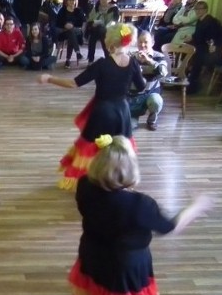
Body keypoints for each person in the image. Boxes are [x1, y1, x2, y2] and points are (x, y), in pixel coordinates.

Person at [69, 134, 212, 295]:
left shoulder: (85, 186)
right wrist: (196, 207)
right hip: (125, 269)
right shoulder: (139, 205)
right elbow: (168, 227)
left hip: (93, 254)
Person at [39, 22, 145, 190]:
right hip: (122, 112)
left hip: (102, 112)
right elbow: (141, 87)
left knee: (92, 147)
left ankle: (92, 182)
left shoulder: (102, 64)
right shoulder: (133, 63)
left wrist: (49, 79)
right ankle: (116, 180)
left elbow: (74, 83)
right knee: (119, 148)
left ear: (110, 41)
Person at [127, 31, 168, 131]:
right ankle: (133, 116)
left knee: (156, 101)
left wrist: (150, 61)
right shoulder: (130, 56)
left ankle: (152, 120)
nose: (142, 45)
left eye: (146, 42)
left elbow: (164, 72)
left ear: (152, 43)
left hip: (150, 93)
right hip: (133, 96)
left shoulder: (159, 56)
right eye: (140, 42)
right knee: (130, 127)